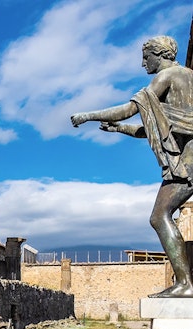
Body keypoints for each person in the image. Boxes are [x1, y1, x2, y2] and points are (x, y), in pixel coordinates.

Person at [71, 36, 193, 297]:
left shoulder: (166, 76)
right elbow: (156, 128)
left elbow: (129, 109)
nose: (142, 63)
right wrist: (119, 131)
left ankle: (185, 283)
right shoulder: (189, 76)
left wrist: (88, 115)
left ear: (159, 54)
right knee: (161, 216)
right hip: (189, 157)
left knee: (159, 216)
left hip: (188, 161)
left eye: (145, 56)